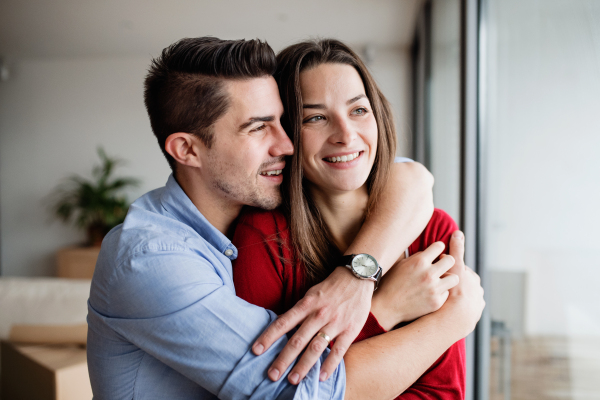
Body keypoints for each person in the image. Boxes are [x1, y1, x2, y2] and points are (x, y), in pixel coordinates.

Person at [87, 36, 484, 399]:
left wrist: (356, 275)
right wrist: (436, 318)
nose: (286, 143)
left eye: (283, 121)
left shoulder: (262, 209)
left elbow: (409, 174)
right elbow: (297, 391)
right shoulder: (152, 260)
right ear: (188, 150)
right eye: (258, 128)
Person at [232, 39, 471, 398]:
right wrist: (384, 309)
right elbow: (276, 386)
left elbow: (443, 392)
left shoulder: (434, 231)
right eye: (316, 117)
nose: (346, 135)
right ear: (287, 132)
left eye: (358, 111)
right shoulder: (261, 236)